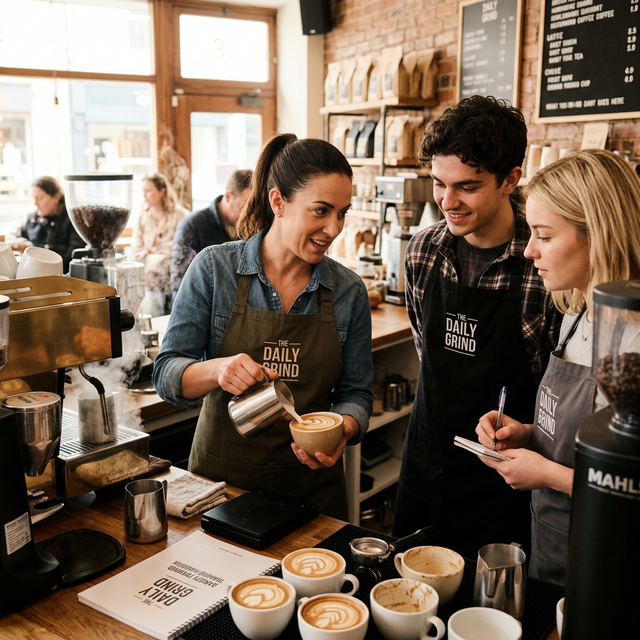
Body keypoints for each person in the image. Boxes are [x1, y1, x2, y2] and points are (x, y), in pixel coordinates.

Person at [153, 134, 374, 519]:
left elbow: (356, 393)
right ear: (278, 202)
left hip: (311, 493)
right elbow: (167, 374)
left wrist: (345, 429)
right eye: (321, 211)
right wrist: (217, 369)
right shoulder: (213, 270)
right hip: (221, 491)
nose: (334, 228)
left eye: (342, 213)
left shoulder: (348, 291)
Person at [393, 95, 562, 559]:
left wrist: (524, 432)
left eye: (466, 187)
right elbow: (427, 355)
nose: (448, 202)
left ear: (510, 179)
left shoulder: (543, 266)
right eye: (438, 184)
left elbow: (557, 399)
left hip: (509, 482)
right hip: (426, 465)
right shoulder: (423, 251)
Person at [475, 149, 640, 586]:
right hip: (553, 541)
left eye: (544, 236)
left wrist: (545, 473)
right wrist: (530, 433)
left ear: (598, 235)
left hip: (610, 559)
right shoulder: (577, 311)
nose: (529, 251)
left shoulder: (634, 340)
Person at [170, 169, 252, 299]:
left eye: (254, 206)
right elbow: (180, 286)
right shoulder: (192, 226)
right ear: (228, 196)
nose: (249, 213)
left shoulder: (253, 226)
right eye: (244, 206)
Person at [131, 172, 187, 316]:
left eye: (148, 191)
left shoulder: (180, 216)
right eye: (143, 191)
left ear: (162, 191)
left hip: (169, 267)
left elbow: (180, 247)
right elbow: (136, 247)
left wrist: (151, 251)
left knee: (160, 270)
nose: (144, 195)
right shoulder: (142, 216)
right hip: (147, 268)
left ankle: (163, 316)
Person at [10, 176, 85, 272]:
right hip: (34, 272)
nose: (35, 203)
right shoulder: (33, 219)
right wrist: (22, 244)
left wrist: (36, 249)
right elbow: (16, 236)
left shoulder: (73, 219)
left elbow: (75, 253)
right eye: (34, 198)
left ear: (56, 197)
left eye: (40, 198)